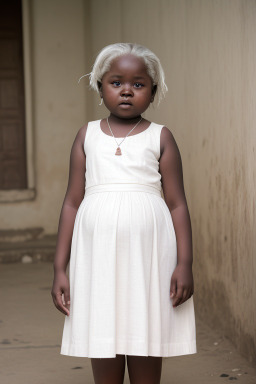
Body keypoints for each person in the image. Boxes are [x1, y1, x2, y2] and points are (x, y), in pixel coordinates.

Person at [51, 42, 197, 384]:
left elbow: (177, 203)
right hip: (97, 254)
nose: (127, 91)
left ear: (153, 91)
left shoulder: (161, 137)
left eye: (138, 84)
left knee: (145, 326)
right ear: (100, 88)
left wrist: (185, 262)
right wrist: (60, 267)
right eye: (116, 82)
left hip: (149, 255)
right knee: (103, 327)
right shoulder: (86, 136)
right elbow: (72, 201)